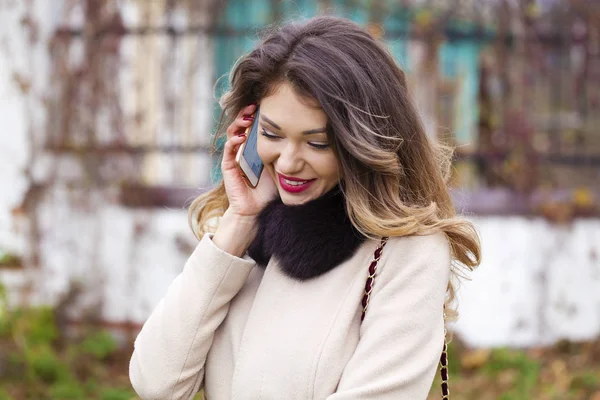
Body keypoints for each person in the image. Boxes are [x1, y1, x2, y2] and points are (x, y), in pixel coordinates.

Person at [129, 15, 480, 400]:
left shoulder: (407, 252)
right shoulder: (244, 237)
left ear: (361, 142)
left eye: (317, 143)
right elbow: (157, 384)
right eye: (272, 134)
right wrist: (237, 223)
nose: (289, 162)